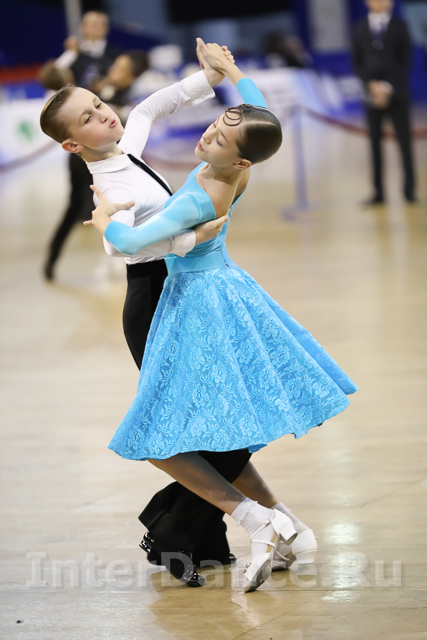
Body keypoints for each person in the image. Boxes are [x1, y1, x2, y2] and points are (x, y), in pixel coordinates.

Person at [84, 40, 358, 592]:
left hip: (196, 303)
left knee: (167, 434)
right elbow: (261, 117)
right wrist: (232, 72)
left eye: (219, 138)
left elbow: (131, 242)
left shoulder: (199, 194)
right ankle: (288, 528)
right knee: (209, 426)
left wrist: (104, 216)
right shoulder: (237, 169)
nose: (208, 135)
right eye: (214, 125)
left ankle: (259, 521)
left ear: (240, 159)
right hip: (225, 287)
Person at [40, 43, 255, 587]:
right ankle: (176, 532)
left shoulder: (124, 150)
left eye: (97, 104)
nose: (103, 115)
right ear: (71, 144)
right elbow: (118, 246)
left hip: (180, 291)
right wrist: (190, 239)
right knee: (209, 427)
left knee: (214, 425)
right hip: (153, 299)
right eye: (88, 118)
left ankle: (198, 539)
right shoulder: (109, 183)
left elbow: (147, 108)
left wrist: (206, 78)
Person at [43, 11, 120, 281]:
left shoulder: (114, 57)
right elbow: (51, 80)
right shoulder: (73, 58)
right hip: (81, 149)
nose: (93, 28)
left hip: (111, 145)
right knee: (76, 203)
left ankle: (117, 258)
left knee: (120, 199)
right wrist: (69, 55)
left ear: (105, 28)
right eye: (88, 24)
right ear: (83, 28)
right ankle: (52, 258)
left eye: (98, 24)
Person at [352, 0, 416, 205]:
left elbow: (406, 60)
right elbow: (357, 62)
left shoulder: (400, 26)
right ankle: (378, 191)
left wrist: (387, 87)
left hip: (397, 94)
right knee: (374, 143)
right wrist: (372, 85)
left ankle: (409, 190)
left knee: (404, 142)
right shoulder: (360, 28)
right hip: (372, 95)